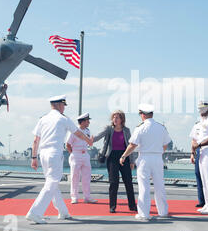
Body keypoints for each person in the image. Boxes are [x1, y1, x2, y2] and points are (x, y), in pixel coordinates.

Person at [26, 95, 93, 224]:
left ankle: (63, 211)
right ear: (58, 105)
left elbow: (36, 140)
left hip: (43, 154)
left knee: (53, 183)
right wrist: (88, 140)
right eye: (63, 105)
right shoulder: (63, 119)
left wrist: (34, 158)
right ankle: (35, 212)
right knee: (51, 183)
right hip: (54, 153)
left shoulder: (43, 119)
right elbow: (77, 133)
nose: (64, 108)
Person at [119, 104, 172, 221]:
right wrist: (159, 153)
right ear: (151, 114)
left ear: (142, 115)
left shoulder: (140, 128)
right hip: (157, 158)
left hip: (144, 158)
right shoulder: (161, 127)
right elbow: (165, 144)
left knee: (144, 187)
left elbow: (132, 145)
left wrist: (124, 156)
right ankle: (163, 212)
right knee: (160, 186)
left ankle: (144, 214)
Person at [93, 110, 137, 213]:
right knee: (114, 182)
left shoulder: (126, 130)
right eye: (114, 117)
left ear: (122, 119)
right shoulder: (108, 129)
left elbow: (130, 146)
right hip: (112, 157)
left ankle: (132, 206)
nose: (115, 119)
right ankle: (112, 206)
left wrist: (132, 161)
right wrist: (88, 139)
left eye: (117, 117)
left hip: (124, 156)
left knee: (128, 182)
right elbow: (98, 136)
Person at [66, 112, 97, 204]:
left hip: (85, 155)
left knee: (87, 177)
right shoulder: (74, 131)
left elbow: (88, 143)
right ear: (82, 121)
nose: (89, 122)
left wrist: (90, 142)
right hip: (76, 155)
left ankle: (87, 197)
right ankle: (74, 197)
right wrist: (73, 154)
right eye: (87, 121)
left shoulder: (87, 131)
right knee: (75, 177)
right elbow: (68, 145)